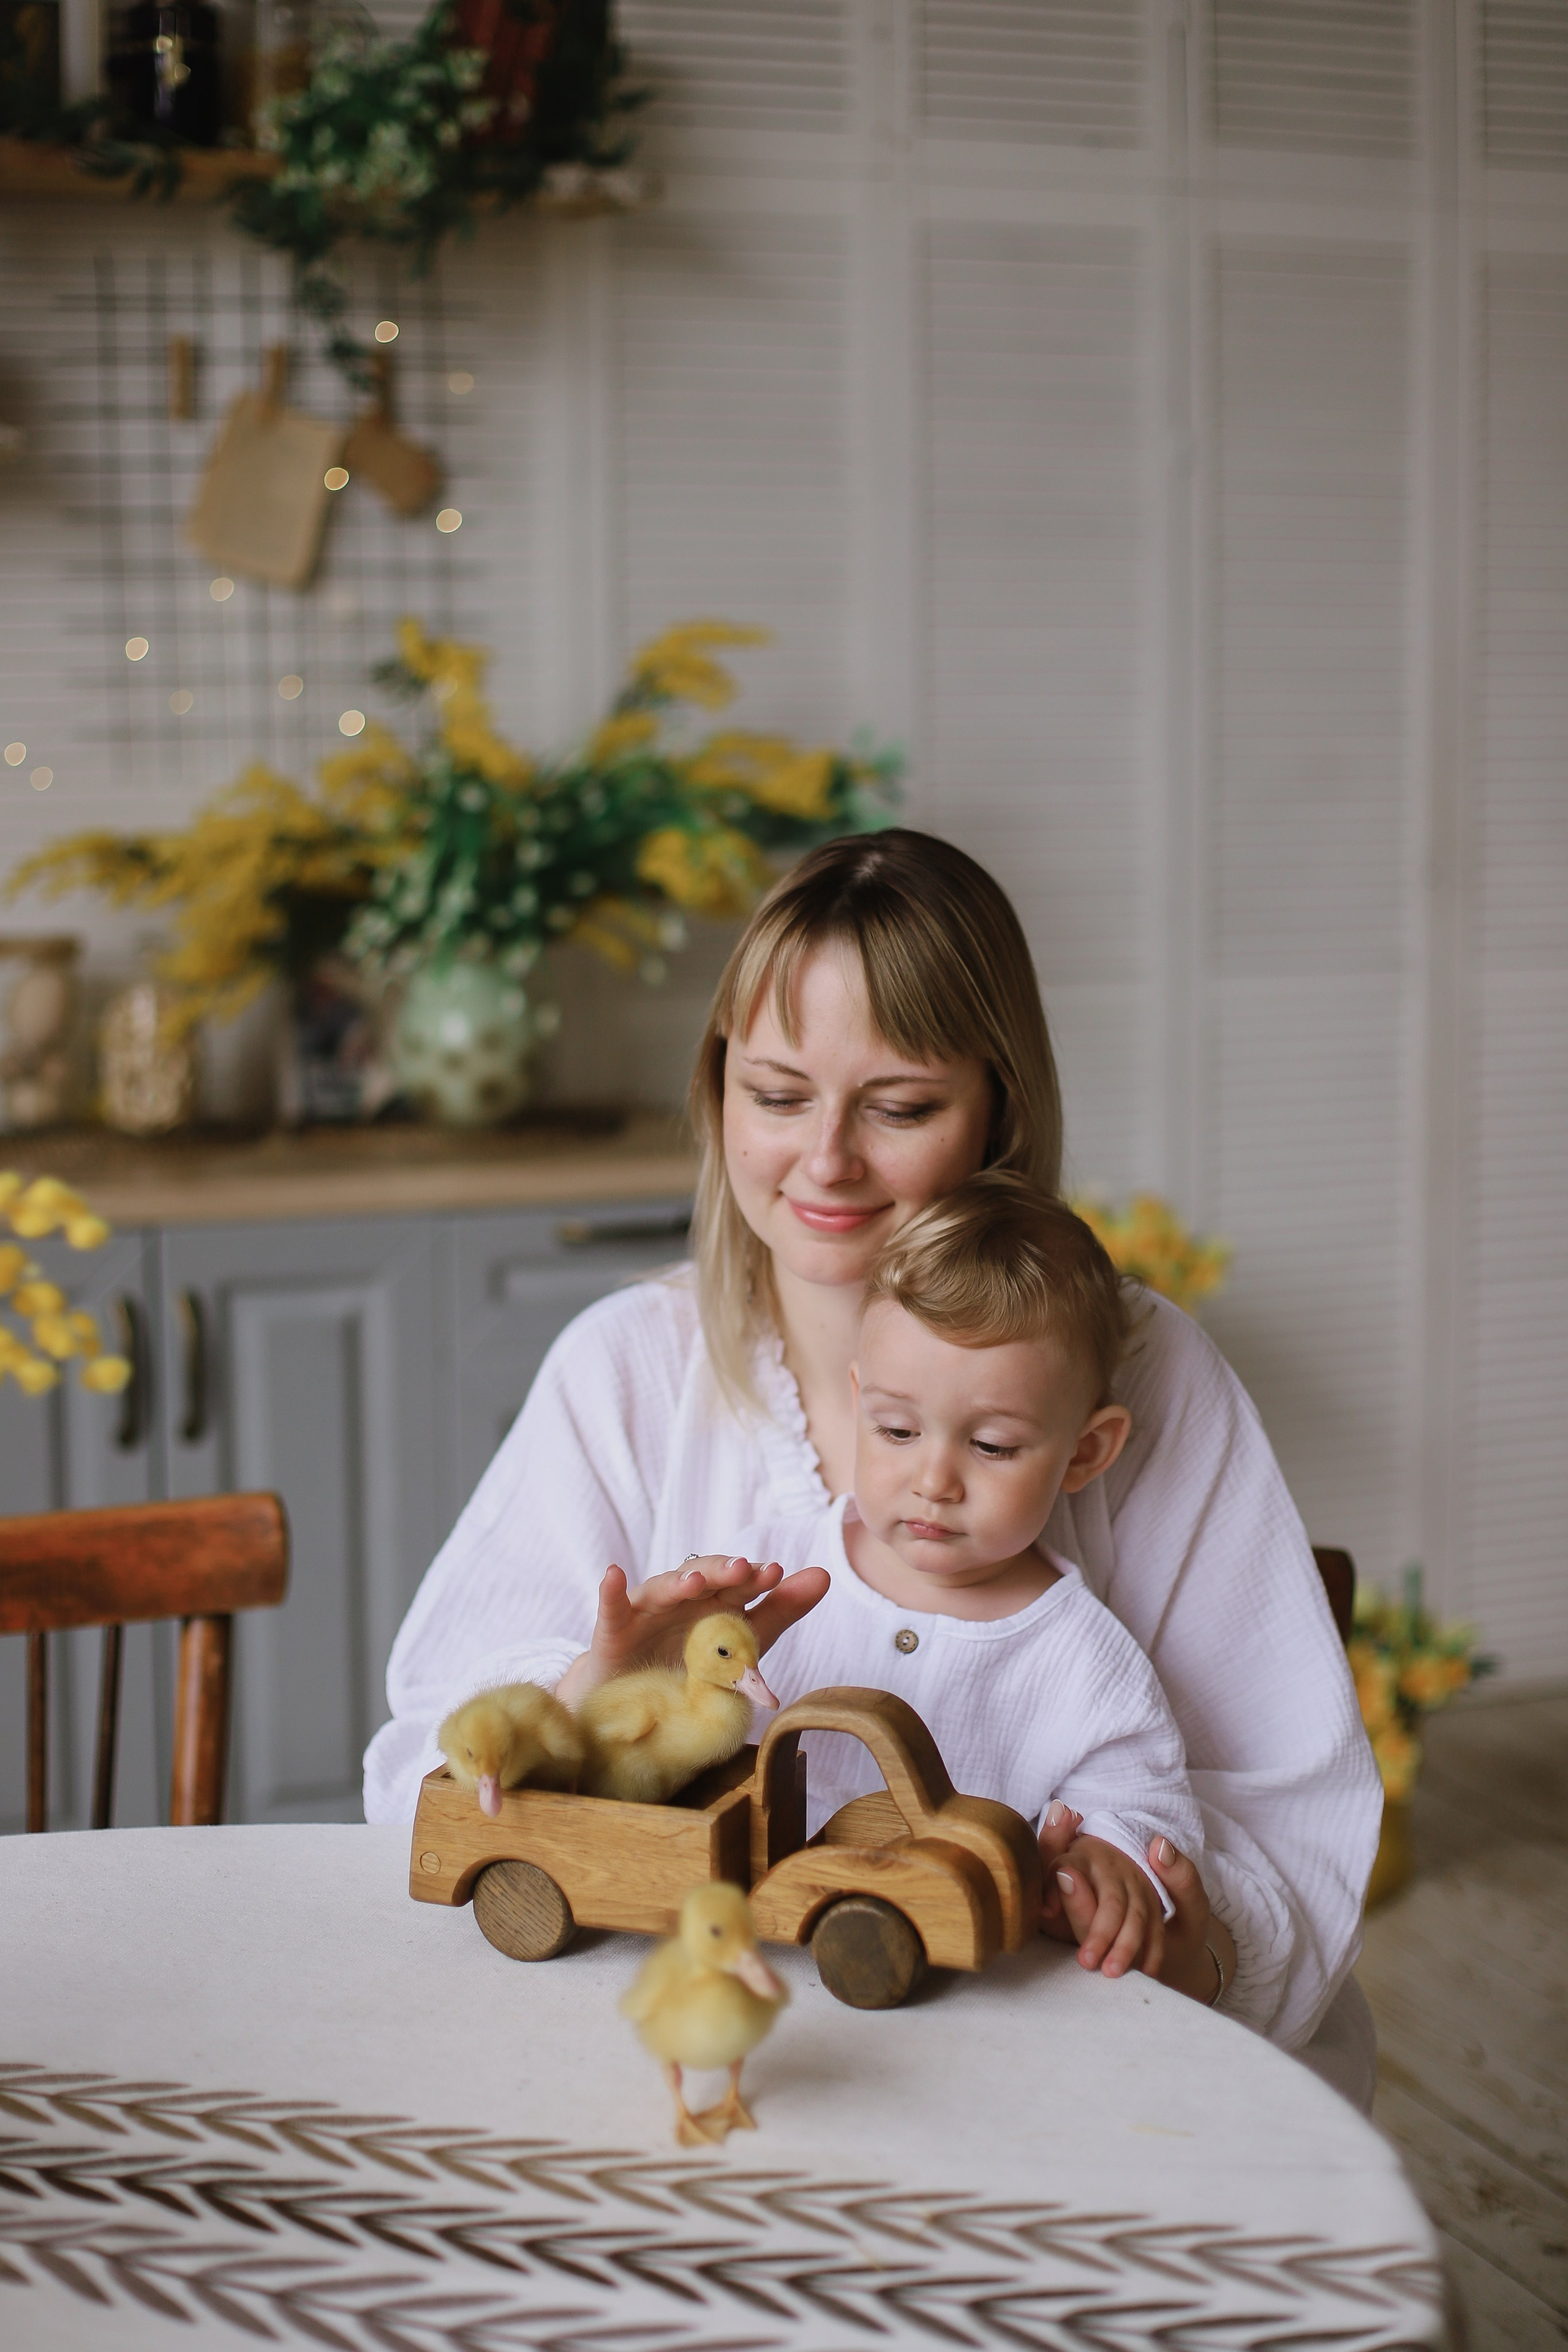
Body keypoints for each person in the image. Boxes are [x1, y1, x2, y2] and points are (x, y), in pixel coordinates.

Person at [364, 831, 1381, 2100]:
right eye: (777, 1096)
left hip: (1071, 2091)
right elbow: (420, 1755)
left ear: (999, 1109)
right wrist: (586, 1713)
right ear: (718, 1090)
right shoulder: (626, 1367)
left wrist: (1171, 1918)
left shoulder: (1148, 1373)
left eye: (898, 1107)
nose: (826, 1163)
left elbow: (1293, 1819)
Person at [726, 1170, 1205, 1989]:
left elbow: (1140, 1798)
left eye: (991, 1447)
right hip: (757, 1970)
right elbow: (688, 1720)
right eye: (898, 1429)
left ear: (1085, 1453)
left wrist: (1109, 1859)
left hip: (965, 2000)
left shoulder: (1082, 1656)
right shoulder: (773, 1576)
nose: (934, 1481)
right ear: (859, 1404)